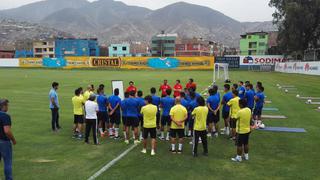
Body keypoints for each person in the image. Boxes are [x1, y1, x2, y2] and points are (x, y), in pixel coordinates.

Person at [0, 99, 16, 180]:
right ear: (3, 106)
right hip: (4, 142)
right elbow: (7, 131)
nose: (8, 107)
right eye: (7, 105)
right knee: (7, 163)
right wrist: (13, 140)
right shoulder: (5, 116)